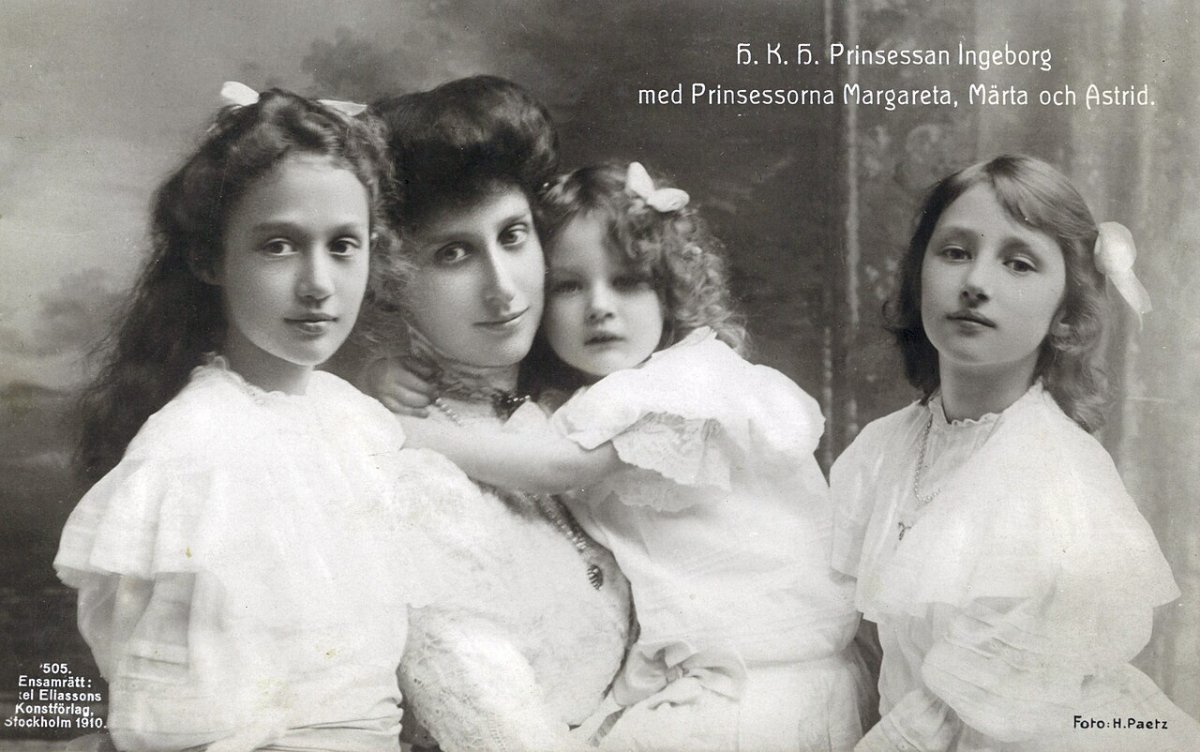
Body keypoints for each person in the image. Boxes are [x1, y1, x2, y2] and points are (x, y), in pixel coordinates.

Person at [398, 162, 869, 751]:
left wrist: (402, 431)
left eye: (626, 281)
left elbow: (559, 469)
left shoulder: (685, 384)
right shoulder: (585, 401)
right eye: (569, 286)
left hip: (762, 681)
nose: (599, 306)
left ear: (670, 291)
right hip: (704, 675)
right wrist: (386, 371)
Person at [54, 83, 444, 751]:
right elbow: (173, 719)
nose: (318, 283)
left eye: (343, 246)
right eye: (279, 246)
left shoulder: (353, 422)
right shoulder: (196, 446)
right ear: (211, 258)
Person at [829, 154, 1200, 751]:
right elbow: (845, 636)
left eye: (1019, 263)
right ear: (919, 275)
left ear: (1065, 313)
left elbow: (959, 713)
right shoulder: (879, 451)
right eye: (955, 252)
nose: (976, 282)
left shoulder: (1057, 475)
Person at [361, 76, 632, 752]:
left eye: (513, 236)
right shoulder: (414, 481)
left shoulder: (565, 412)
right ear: (388, 283)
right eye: (453, 254)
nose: (503, 287)